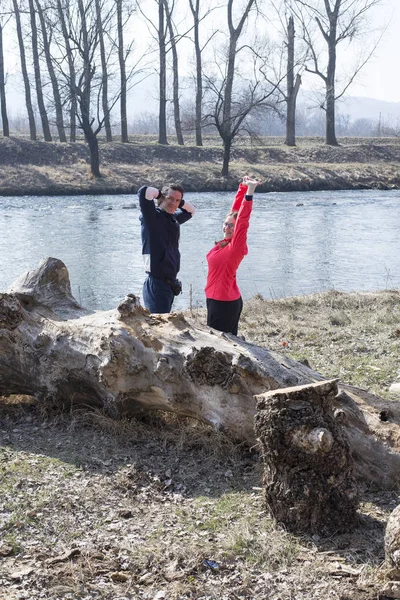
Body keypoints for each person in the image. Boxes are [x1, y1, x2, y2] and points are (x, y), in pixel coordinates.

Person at [205, 176, 261, 335]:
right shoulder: (224, 243)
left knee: (220, 346)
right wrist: (242, 188)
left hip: (224, 303)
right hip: (217, 299)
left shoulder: (235, 247)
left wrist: (250, 192)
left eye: (231, 226)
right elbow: (235, 213)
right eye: (226, 224)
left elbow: (242, 220)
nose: (227, 228)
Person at [138, 182, 196, 313]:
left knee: (164, 324)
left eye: (177, 200)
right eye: (170, 198)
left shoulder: (173, 218)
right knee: (158, 326)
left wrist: (178, 202)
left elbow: (192, 211)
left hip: (170, 284)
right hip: (156, 283)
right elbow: (144, 191)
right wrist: (160, 195)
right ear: (162, 198)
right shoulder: (151, 217)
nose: (173, 203)